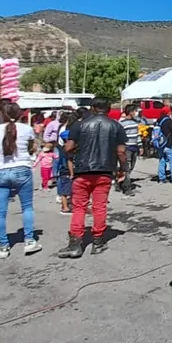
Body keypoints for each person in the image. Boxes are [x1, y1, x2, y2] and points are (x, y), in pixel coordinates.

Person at [57, 98, 127, 259]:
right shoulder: (116, 126)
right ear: (108, 109)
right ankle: (98, 241)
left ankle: (75, 243)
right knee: (99, 206)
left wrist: (73, 156)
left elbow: (68, 147)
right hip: (104, 172)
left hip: (82, 171)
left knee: (79, 207)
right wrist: (123, 169)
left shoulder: (79, 125)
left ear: (93, 108)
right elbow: (121, 152)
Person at [0, 102, 43, 258]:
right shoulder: (27, 129)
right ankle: (29, 240)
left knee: (0, 211)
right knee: (27, 207)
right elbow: (32, 147)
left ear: (1, 115)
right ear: (19, 114)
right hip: (22, 169)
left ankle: (3, 246)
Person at [118, 103, 141, 195]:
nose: (136, 113)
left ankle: (121, 181)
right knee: (126, 168)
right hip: (126, 148)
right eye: (135, 111)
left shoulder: (135, 122)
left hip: (134, 147)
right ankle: (127, 188)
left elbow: (137, 135)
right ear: (130, 112)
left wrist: (140, 145)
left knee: (131, 167)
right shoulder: (122, 124)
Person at [53, 113, 73, 212]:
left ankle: (65, 204)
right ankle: (67, 205)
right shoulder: (70, 133)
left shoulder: (62, 131)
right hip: (68, 161)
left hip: (63, 158)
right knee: (68, 181)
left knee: (64, 180)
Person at [156, 107, 172, 184]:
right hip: (168, 143)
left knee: (162, 160)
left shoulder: (158, 120)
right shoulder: (168, 120)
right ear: (168, 112)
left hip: (160, 144)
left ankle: (161, 178)